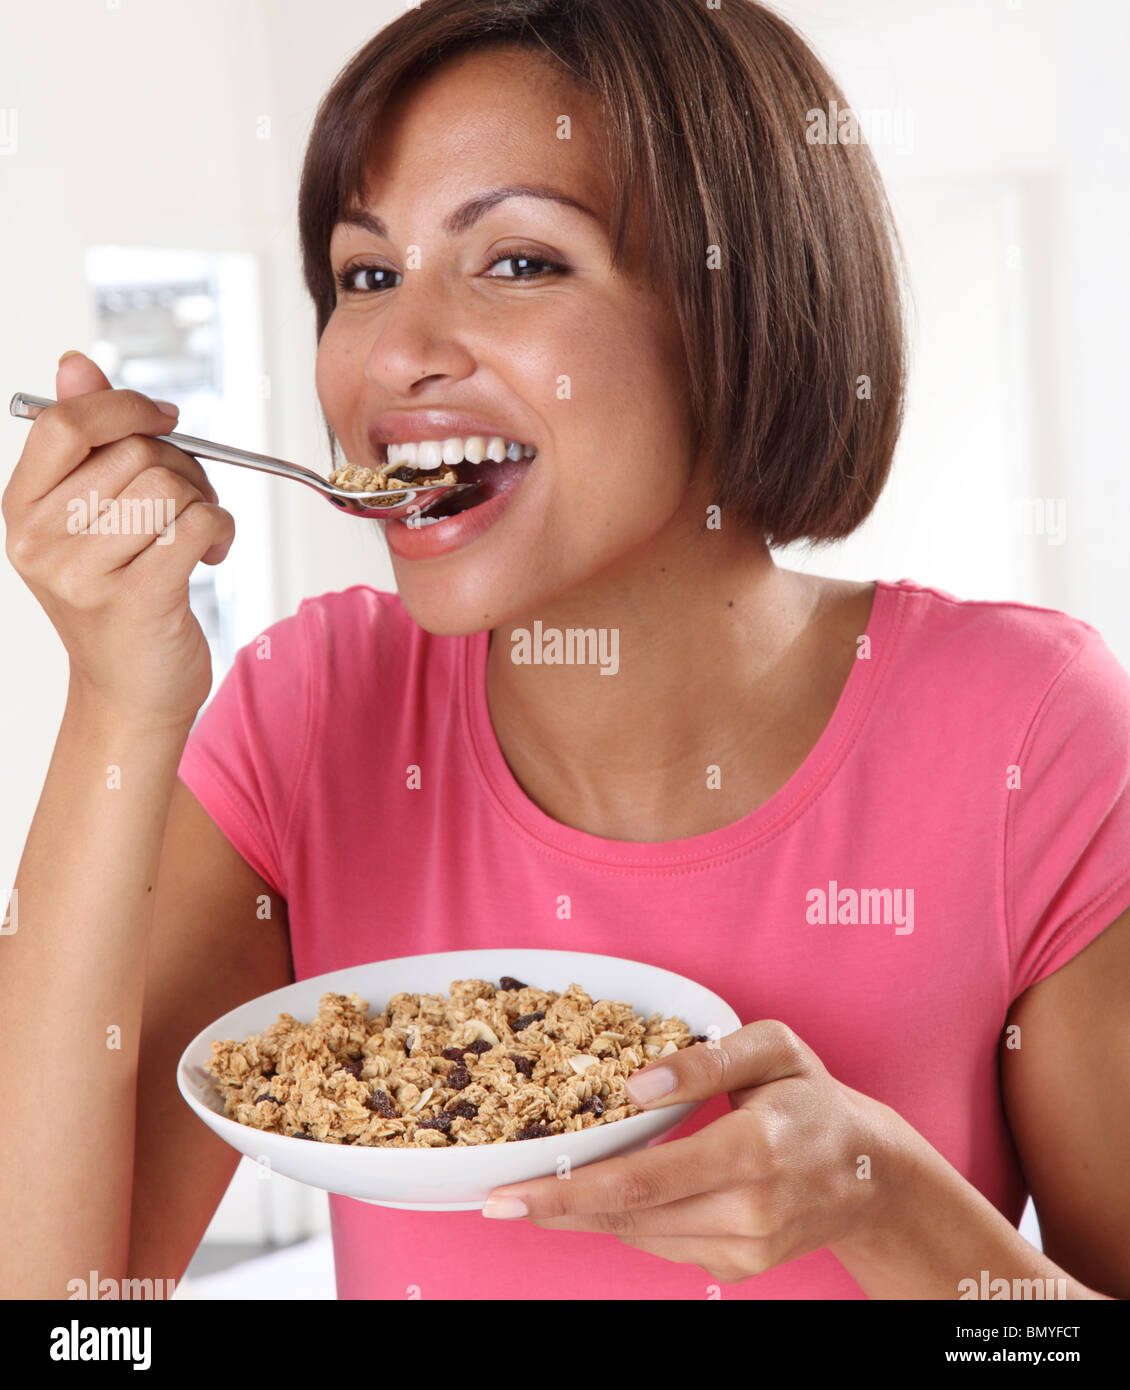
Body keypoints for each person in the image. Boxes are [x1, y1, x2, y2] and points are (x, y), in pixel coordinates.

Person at [3, 0, 1128, 1301]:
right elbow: (62, 1312)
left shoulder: (1029, 736)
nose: (397, 354)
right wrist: (116, 699)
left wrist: (882, 1198)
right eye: (366, 275)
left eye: (519, 261)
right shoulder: (310, 712)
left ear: (735, 310)